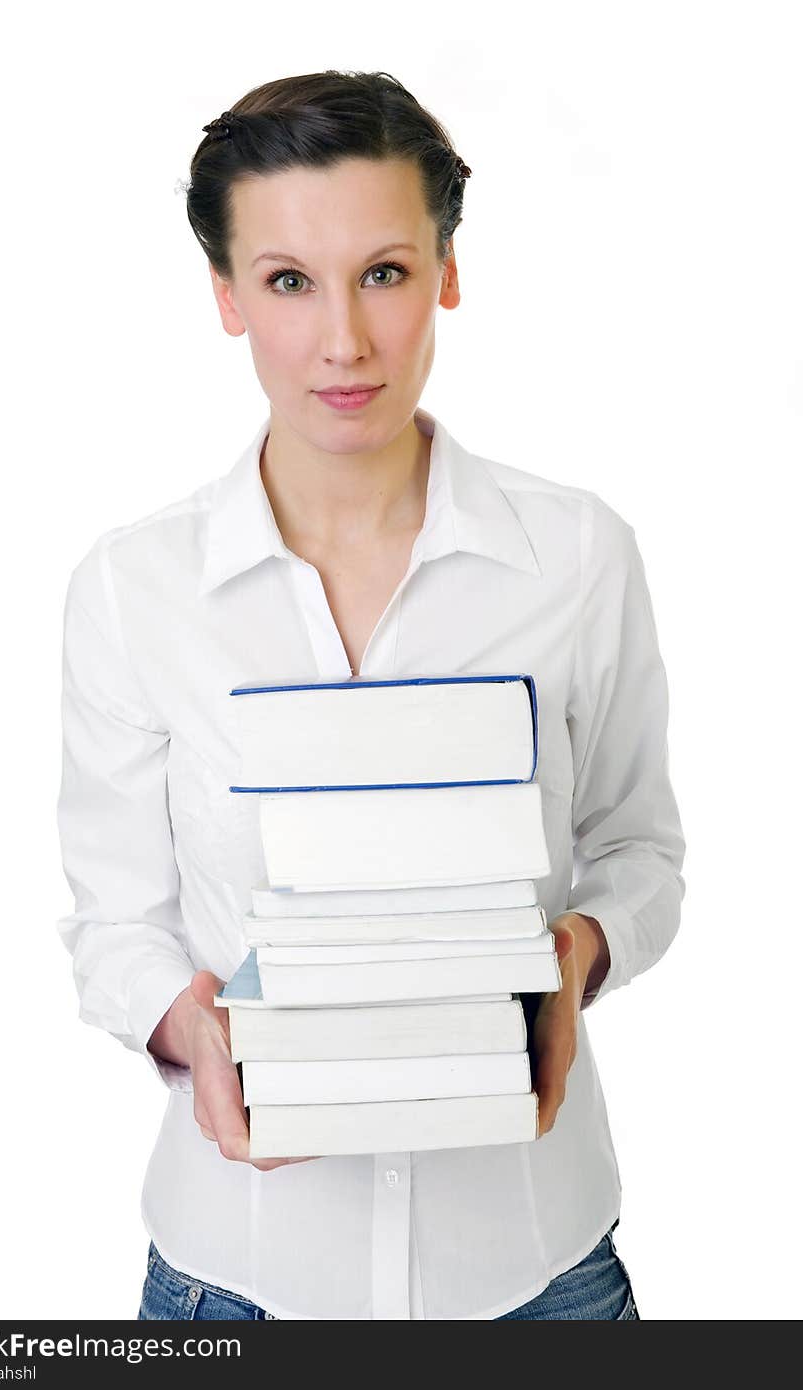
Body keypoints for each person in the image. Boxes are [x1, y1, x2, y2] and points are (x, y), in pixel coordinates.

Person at [56, 69, 685, 1321]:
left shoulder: (574, 555)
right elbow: (114, 926)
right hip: (238, 1278)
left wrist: (577, 955)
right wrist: (188, 1029)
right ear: (227, 297)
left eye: (384, 272)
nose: (342, 339)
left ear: (447, 273)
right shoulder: (135, 589)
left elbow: (639, 849)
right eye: (288, 280)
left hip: (537, 1271)